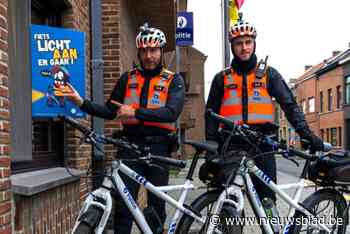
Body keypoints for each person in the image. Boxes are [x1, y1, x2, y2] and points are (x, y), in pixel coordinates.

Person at [58, 23, 185, 233]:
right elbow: (110, 110)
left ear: (161, 51)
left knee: (155, 208)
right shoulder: (128, 78)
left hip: (160, 149)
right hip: (129, 147)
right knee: (124, 209)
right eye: (144, 51)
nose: (148, 56)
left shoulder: (174, 80)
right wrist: (81, 102)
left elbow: (171, 113)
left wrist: (134, 112)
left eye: (153, 50)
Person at [205, 15, 324, 203]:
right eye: (238, 43)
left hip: (263, 146)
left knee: (267, 201)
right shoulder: (222, 78)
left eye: (248, 42)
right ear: (232, 46)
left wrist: (307, 135)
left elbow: (290, 106)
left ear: (254, 44)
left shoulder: (270, 74)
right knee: (227, 200)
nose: (244, 47)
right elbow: (210, 114)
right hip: (231, 146)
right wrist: (211, 147)